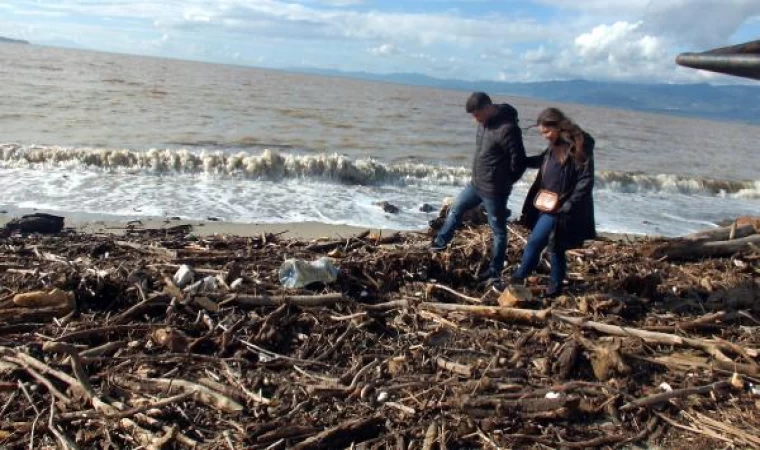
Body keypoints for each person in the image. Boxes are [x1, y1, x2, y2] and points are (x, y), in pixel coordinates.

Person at [430, 92, 526, 286]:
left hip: (494, 191)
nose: (475, 119)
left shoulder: (508, 129)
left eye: (476, 115)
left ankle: (495, 271)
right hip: (475, 184)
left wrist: (504, 183)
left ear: (488, 108)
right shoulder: (483, 125)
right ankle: (439, 244)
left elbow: (520, 162)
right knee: (456, 209)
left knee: (498, 230)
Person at [508, 107, 596, 297]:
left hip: (562, 207)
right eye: (542, 133)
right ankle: (555, 287)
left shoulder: (579, 145)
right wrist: (519, 160)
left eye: (547, 131)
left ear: (558, 126)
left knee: (536, 243)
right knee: (556, 246)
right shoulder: (553, 145)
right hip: (546, 203)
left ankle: (518, 277)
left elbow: (586, 180)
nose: (545, 136)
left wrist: (569, 205)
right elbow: (542, 161)